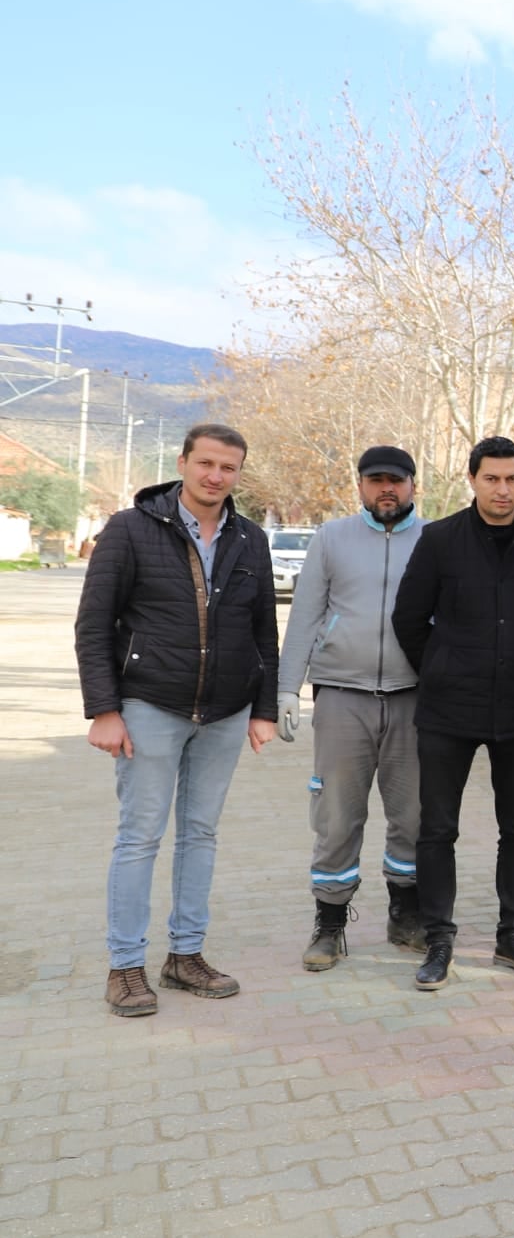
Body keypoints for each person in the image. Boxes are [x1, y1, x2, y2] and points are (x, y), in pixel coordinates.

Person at [76, 423, 279, 1016]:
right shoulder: (131, 529)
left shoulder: (251, 538)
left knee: (201, 834)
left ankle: (185, 956)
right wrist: (105, 710)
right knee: (140, 838)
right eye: (207, 464)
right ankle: (126, 967)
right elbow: (93, 626)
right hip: (149, 707)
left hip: (224, 712)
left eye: (229, 468)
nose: (216, 476)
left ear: (239, 473)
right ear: (184, 462)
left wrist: (262, 709)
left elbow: (263, 628)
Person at [392, 437, 514, 991]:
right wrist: (443, 667)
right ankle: (439, 937)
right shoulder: (439, 539)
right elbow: (408, 619)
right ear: (472, 480)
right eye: (491, 479)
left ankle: (513, 936)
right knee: (437, 829)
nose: (503, 489)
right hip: (449, 709)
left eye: (512, 479)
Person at [276, 444, 426, 972]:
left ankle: (406, 914)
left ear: (413, 486)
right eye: (376, 480)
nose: (387, 489)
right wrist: (286, 689)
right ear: (360, 485)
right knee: (337, 815)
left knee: (413, 814)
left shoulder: (436, 540)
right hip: (343, 695)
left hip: (413, 698)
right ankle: (331, 924)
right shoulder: (332, 538)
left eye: (397, 480)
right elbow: (306, 616)